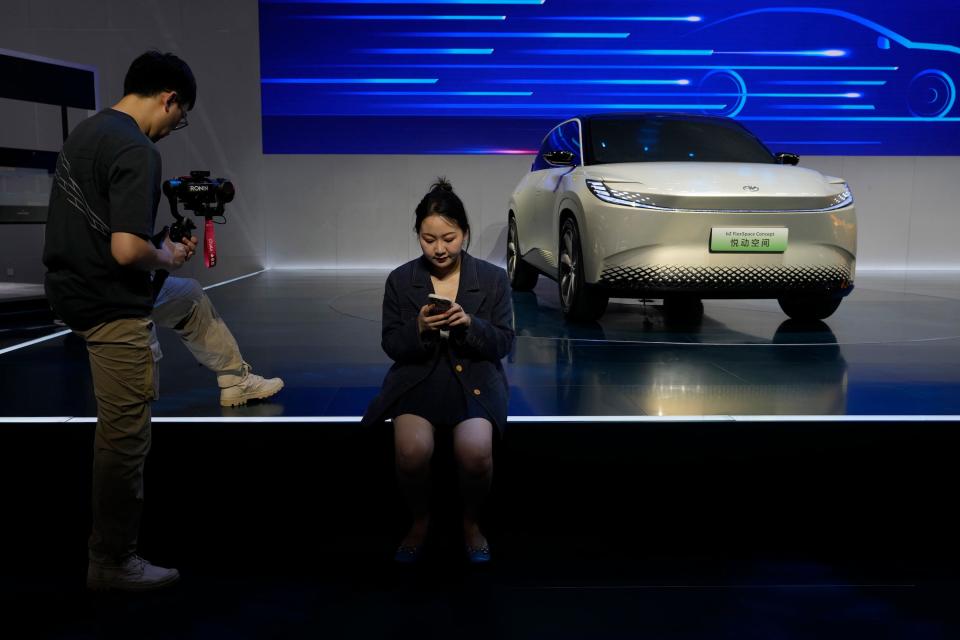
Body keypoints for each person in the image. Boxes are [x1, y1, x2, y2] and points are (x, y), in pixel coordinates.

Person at [42, 51, 283, 591]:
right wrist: (164, 255)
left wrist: (161, 258)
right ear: (169, 98)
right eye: (181, 116)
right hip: (110, 303)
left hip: (73, 288)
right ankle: (112, 561)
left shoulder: (88, 133)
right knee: (125, 437)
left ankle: (233, 379)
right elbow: (127, 251)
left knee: (188, 296)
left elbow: (100, 233)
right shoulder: (136, 147)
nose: (177, 126)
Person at [362, 179, 514, 564]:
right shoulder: (400, 280)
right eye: (429, 239)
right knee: (412, 451)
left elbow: (503, 343)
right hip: (418, 376)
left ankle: (471, 523)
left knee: (476, 453)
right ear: (418, 236)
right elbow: (392, 344)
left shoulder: (493, 279)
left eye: (449, 237)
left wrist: (470, 325)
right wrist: (420, 329)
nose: (440, 248)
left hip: (475, 378)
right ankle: (420, 520)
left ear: (464, 233)